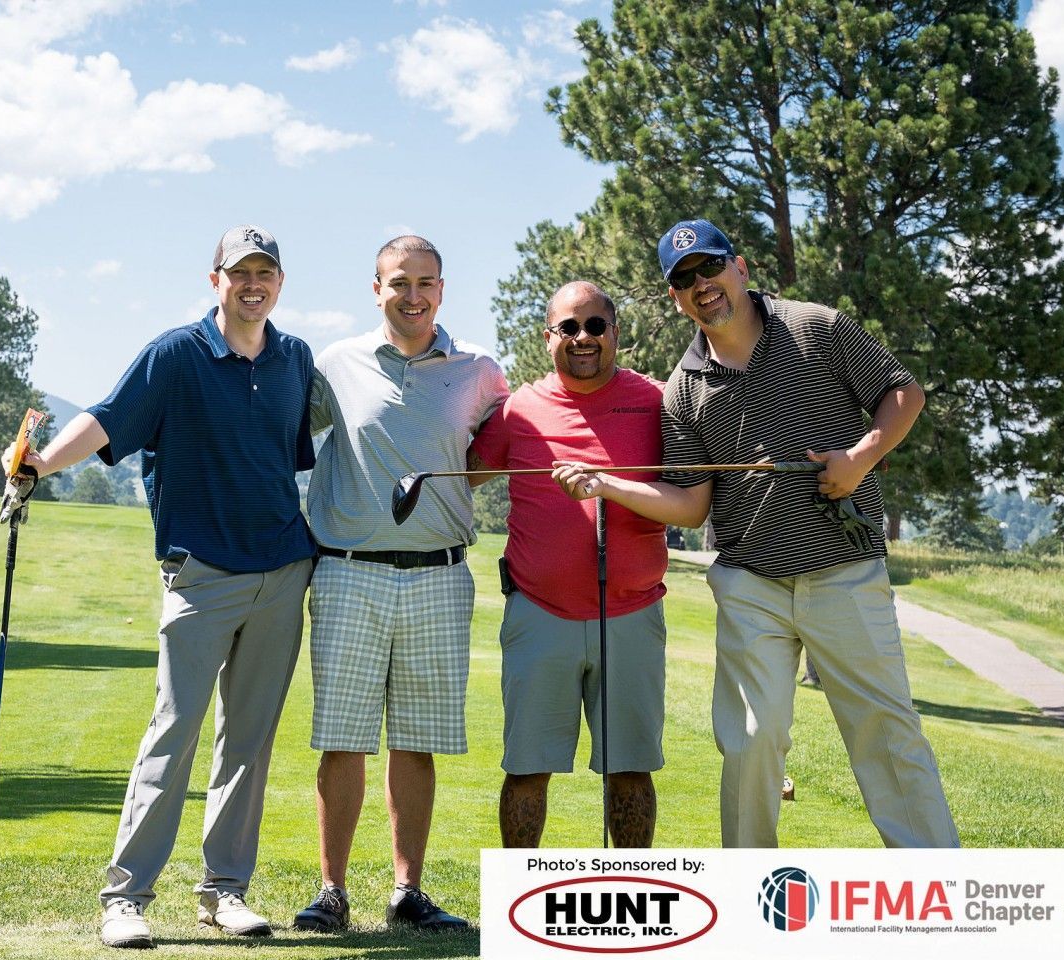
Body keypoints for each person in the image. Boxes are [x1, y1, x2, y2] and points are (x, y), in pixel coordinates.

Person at [558, 218, 959, 848]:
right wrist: (606, 485)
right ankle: (750, 903)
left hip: (844, 570)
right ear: (675, 296)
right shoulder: (682, 389)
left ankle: (939, 893)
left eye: (710, 268)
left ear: (739, 268)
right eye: (684, 279)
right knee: (750, 739)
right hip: (750, 585)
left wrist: (860, 458)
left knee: (885, 732)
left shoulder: (816, 327)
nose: (702, 285)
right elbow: (691, 506)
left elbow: (903, 394)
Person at [1, 225, 316, 947]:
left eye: (265, 272)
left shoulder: (294, 358)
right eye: (240, 272)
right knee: (172, 735)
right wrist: (39, 465)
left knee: (248, 743)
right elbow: (108, 421)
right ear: (216, 280)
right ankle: (125, 899)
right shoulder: (174, 354)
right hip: (200, 573)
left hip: (281, 570)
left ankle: (225, 893)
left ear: (279, 281)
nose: (253, 283)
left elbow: (290, 456)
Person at [293, 235, 508, 932]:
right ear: (375, 288)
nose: (411, 295)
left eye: (425, 282)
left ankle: (407, 891)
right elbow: (282, 435)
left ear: (442, 289)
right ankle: (331, 891)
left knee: (417, 741)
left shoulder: (479, 371)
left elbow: (494, 451)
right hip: (349, 571)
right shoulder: (335, 365)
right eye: (398, 283)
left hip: (440, 576)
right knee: (344, 739)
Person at [470, 280, 678, 848]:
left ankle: (633, 900)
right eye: (569, 327)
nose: (582, 338)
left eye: (595, 326)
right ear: (548, 338)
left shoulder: (658, 402)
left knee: (631, 768)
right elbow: (463, 472)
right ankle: (517, 906)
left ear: (616, 334)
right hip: (539, 613)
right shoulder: (518, 410)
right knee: (527, 768)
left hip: (632, 613)